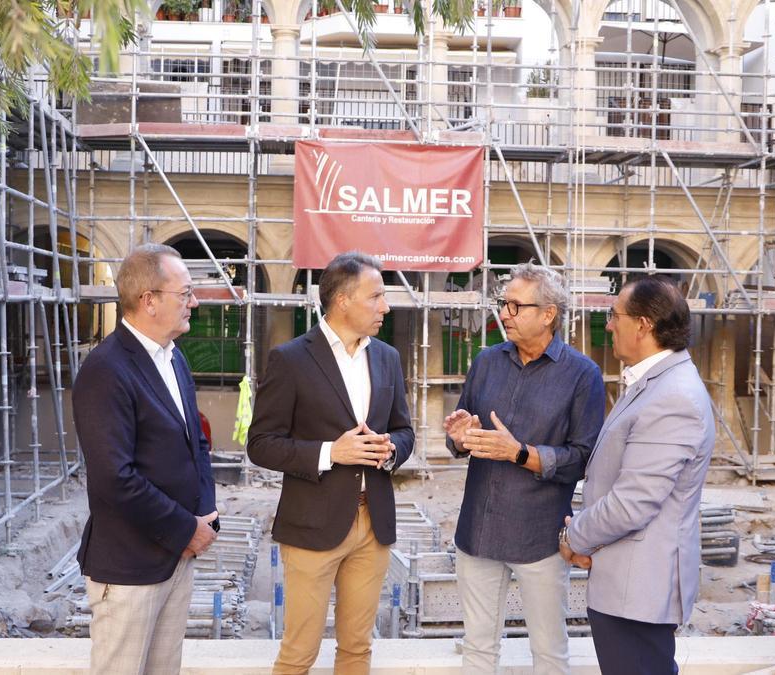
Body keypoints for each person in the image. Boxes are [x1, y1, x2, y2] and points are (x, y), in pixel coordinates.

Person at [248, 251, 414, 675]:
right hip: (311, 526)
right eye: (376, 296)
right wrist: (329, 452)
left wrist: (391, 448)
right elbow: (261, 444)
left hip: (372, 524)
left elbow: (404, 430)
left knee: (358, 649)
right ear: (342, 300)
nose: (385, 306)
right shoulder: (290, 359)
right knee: (299, 652)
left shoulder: (387, 358)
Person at [443, 262, 605, 674]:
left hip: (541, 539)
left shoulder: (582, 375)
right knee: (478, 650)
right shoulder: (486, 361)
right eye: (504, 304)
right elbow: (463, 436)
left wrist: (520, 453)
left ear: (548, 313)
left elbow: (584, 457)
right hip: (478, 532)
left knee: (549, 653)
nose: (505, 314)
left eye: (516, 306)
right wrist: (461, 437)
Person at [73, 244, 219, 675]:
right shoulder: (106, 369)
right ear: (148, 300)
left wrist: (205, 516)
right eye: (185, 293)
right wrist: (184, 528)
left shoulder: (173, 358)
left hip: (177, 556)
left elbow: (198, 443)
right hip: (130, 568)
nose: (194, 302)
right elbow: (115, 478)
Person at [560, 275, 715, 675]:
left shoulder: (673, 396)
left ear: (644, 324)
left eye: (615, 316)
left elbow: (632, 502)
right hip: (625, 586)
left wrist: (574, 535)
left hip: (639, 591)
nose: (609, 325)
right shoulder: (654, 384)